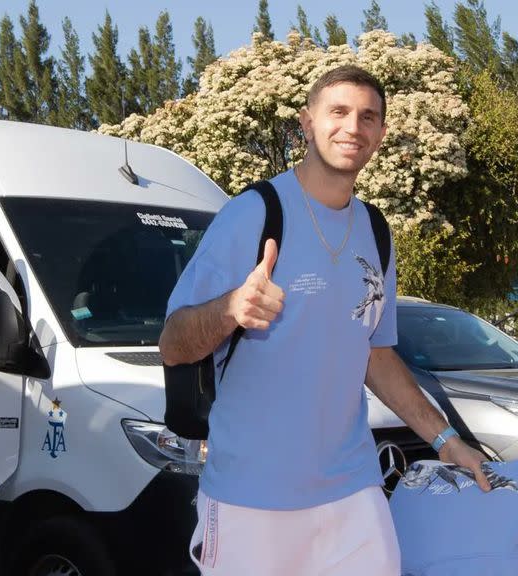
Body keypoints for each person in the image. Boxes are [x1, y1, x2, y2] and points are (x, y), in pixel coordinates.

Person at [159, 64, 490, 576]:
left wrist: (446, 441)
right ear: (306, 123)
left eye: (367, 116)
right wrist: (229, 309)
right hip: (253, 496)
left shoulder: (376, 230)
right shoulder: (254, 212)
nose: (352, 127)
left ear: (380, 133)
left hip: (353, 491)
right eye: (338, 112)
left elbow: (375, 356)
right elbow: (173, 345)